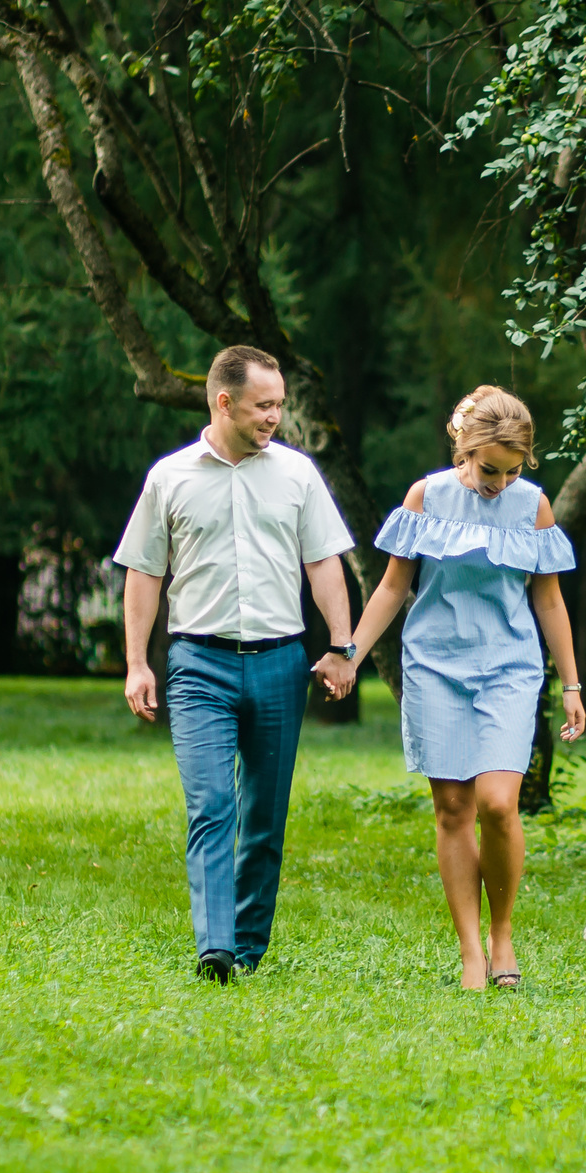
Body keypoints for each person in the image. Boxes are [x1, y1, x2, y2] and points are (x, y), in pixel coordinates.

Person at [317, 386, 584, 991]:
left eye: (513, 471)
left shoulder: (532, 506)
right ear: (463, 448)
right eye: (490, 469)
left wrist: (572, 682)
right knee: (453, 809)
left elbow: (548, 598)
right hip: (435, 666)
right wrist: (350, 652)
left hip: (510, 668)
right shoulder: (427, 496)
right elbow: (391, 587)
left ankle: (503, 935)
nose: (499, 482)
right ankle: (470, 952)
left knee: (498, 803)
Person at [115, 346, 359, 983]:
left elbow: (324, 563)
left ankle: (247, 948)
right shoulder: (170, 478)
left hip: (281, 662)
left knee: (264, 816)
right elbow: (144, 571)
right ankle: (214, 948)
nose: (276, 416)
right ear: (224, 402)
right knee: (212, 804)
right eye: (264, 405)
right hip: (198, 663)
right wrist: (137, 663)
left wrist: (341, 644)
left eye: (280, 404)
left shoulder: (298, 475)